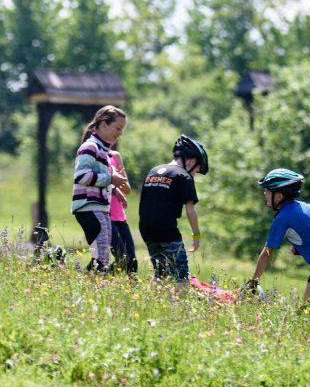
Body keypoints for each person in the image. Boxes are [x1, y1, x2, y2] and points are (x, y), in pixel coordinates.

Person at [246, 168, 310, 301]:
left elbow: (267, 253)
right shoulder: (305, 206)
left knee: (309, 306)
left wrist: (253, 282)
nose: (264, 193)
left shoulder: (282, 218)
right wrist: (302, 246)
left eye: (268, 190)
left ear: (279, 196)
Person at [138, 135, 208, 284]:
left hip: (146, 229)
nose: (195, 174)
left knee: (160, 273)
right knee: (181, 276)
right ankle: (180, 306)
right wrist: (196, 236)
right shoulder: (183, 176)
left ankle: (155, 303)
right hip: (167, 230)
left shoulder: (153, 171)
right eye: (197, 169)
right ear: (191, 160)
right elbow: (190, 210)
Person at [72, 105, 129, 273]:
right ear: (103, 124)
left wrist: (115, 188)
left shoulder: (103, 150)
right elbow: (81, 176)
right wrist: (111, 179)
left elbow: (98, 179)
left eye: (122, 129)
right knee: (101, 257)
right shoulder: (91, 147)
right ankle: (87, 285)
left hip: (100, 208)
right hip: (89, 207)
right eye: (117, 128)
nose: (120, 133)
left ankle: (90, 284)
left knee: (102, 256)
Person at [108, 149, 137, 274]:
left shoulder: (115, 156)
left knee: (132, 260)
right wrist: (113, 184)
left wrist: (120, 178)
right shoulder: (96, 155)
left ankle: (133, 290)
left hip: (120, 216)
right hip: (106, 215)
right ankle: (97, 277)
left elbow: (127, 190)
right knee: (121, 257)